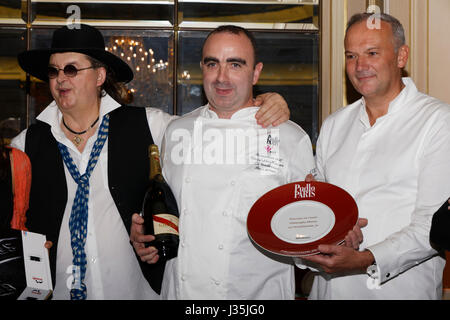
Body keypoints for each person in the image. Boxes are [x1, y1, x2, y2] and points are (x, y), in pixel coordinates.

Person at [10, 24, 290, 300]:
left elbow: (213, 122)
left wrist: (265, 100)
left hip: (134, 291)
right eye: (53, 71)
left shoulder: (152, 125)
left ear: (99, 76)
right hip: (59, 291)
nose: (61, 79)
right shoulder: (25, 145)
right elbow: (14, 224)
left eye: (71, 69)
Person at [130, 25, 317, 300]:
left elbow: (308, 236)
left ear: (256, 73)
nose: (221, 77)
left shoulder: (288, 137)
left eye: (235, 64)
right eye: (212, 63)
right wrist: (147, 237)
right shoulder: (177, 132)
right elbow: (169, 215)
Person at [300, 13, 450, 299]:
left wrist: (366, 257)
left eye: (372, 53)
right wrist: (320, 221)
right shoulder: (334, 124)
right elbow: (321, 212)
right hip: (327, 291)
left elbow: (433, 228)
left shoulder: (438, 121)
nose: (360, 66)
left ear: (401, 56)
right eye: (351, 56)